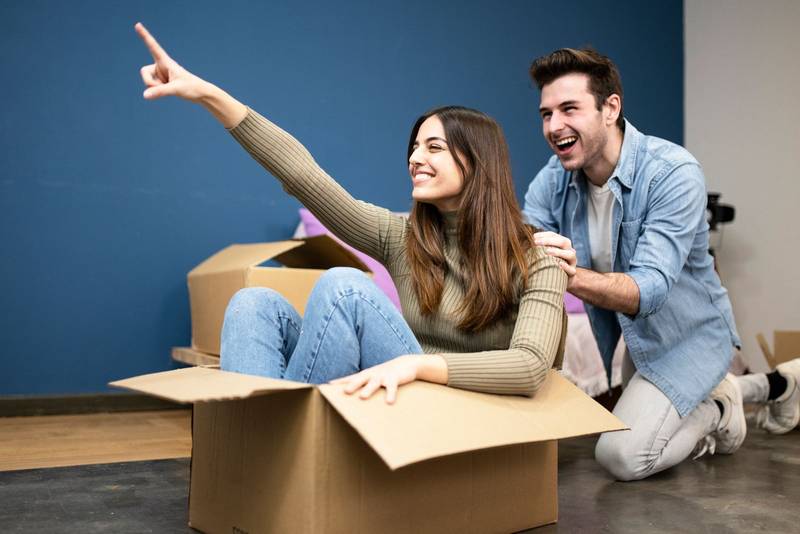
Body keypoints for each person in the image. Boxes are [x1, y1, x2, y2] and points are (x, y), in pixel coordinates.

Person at [134, 22, 568, 404]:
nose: (415, 158)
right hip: (399, 390)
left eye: (433, 147)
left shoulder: (536, 257)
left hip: (459, 403)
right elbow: (304, 176)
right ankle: (261, 449)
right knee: (253, 303)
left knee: (345, 287)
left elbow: (530, 368)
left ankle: (276, 453)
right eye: (414, 147)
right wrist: (205, 94)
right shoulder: (404, 237)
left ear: (478, 163)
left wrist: (418, 366)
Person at [523, 48, 800, 481]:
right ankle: (765, 386)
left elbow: (648, 290)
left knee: (621, 454)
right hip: (637, 342)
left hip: (690, 337)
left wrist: (569, 276)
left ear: (610, 107)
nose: (554, 126)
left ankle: (720, 409)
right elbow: (522, 241)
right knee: (639, 424)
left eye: (568, 109)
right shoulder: (554, 179)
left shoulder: (672, 173)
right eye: (546, 113)